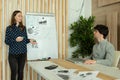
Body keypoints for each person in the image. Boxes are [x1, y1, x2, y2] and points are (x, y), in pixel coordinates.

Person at [5, 10, 36, 80]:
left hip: (23, 53)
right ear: (14, 17)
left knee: (20, 72)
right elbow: (6, 41)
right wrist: (15, 40)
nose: (21, 17)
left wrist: (30, 40)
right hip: (13, 54)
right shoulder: (9, 28)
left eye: (21, 16)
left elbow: (25, 40)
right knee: (14, 72)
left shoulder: (23, 28)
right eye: (19, 16)